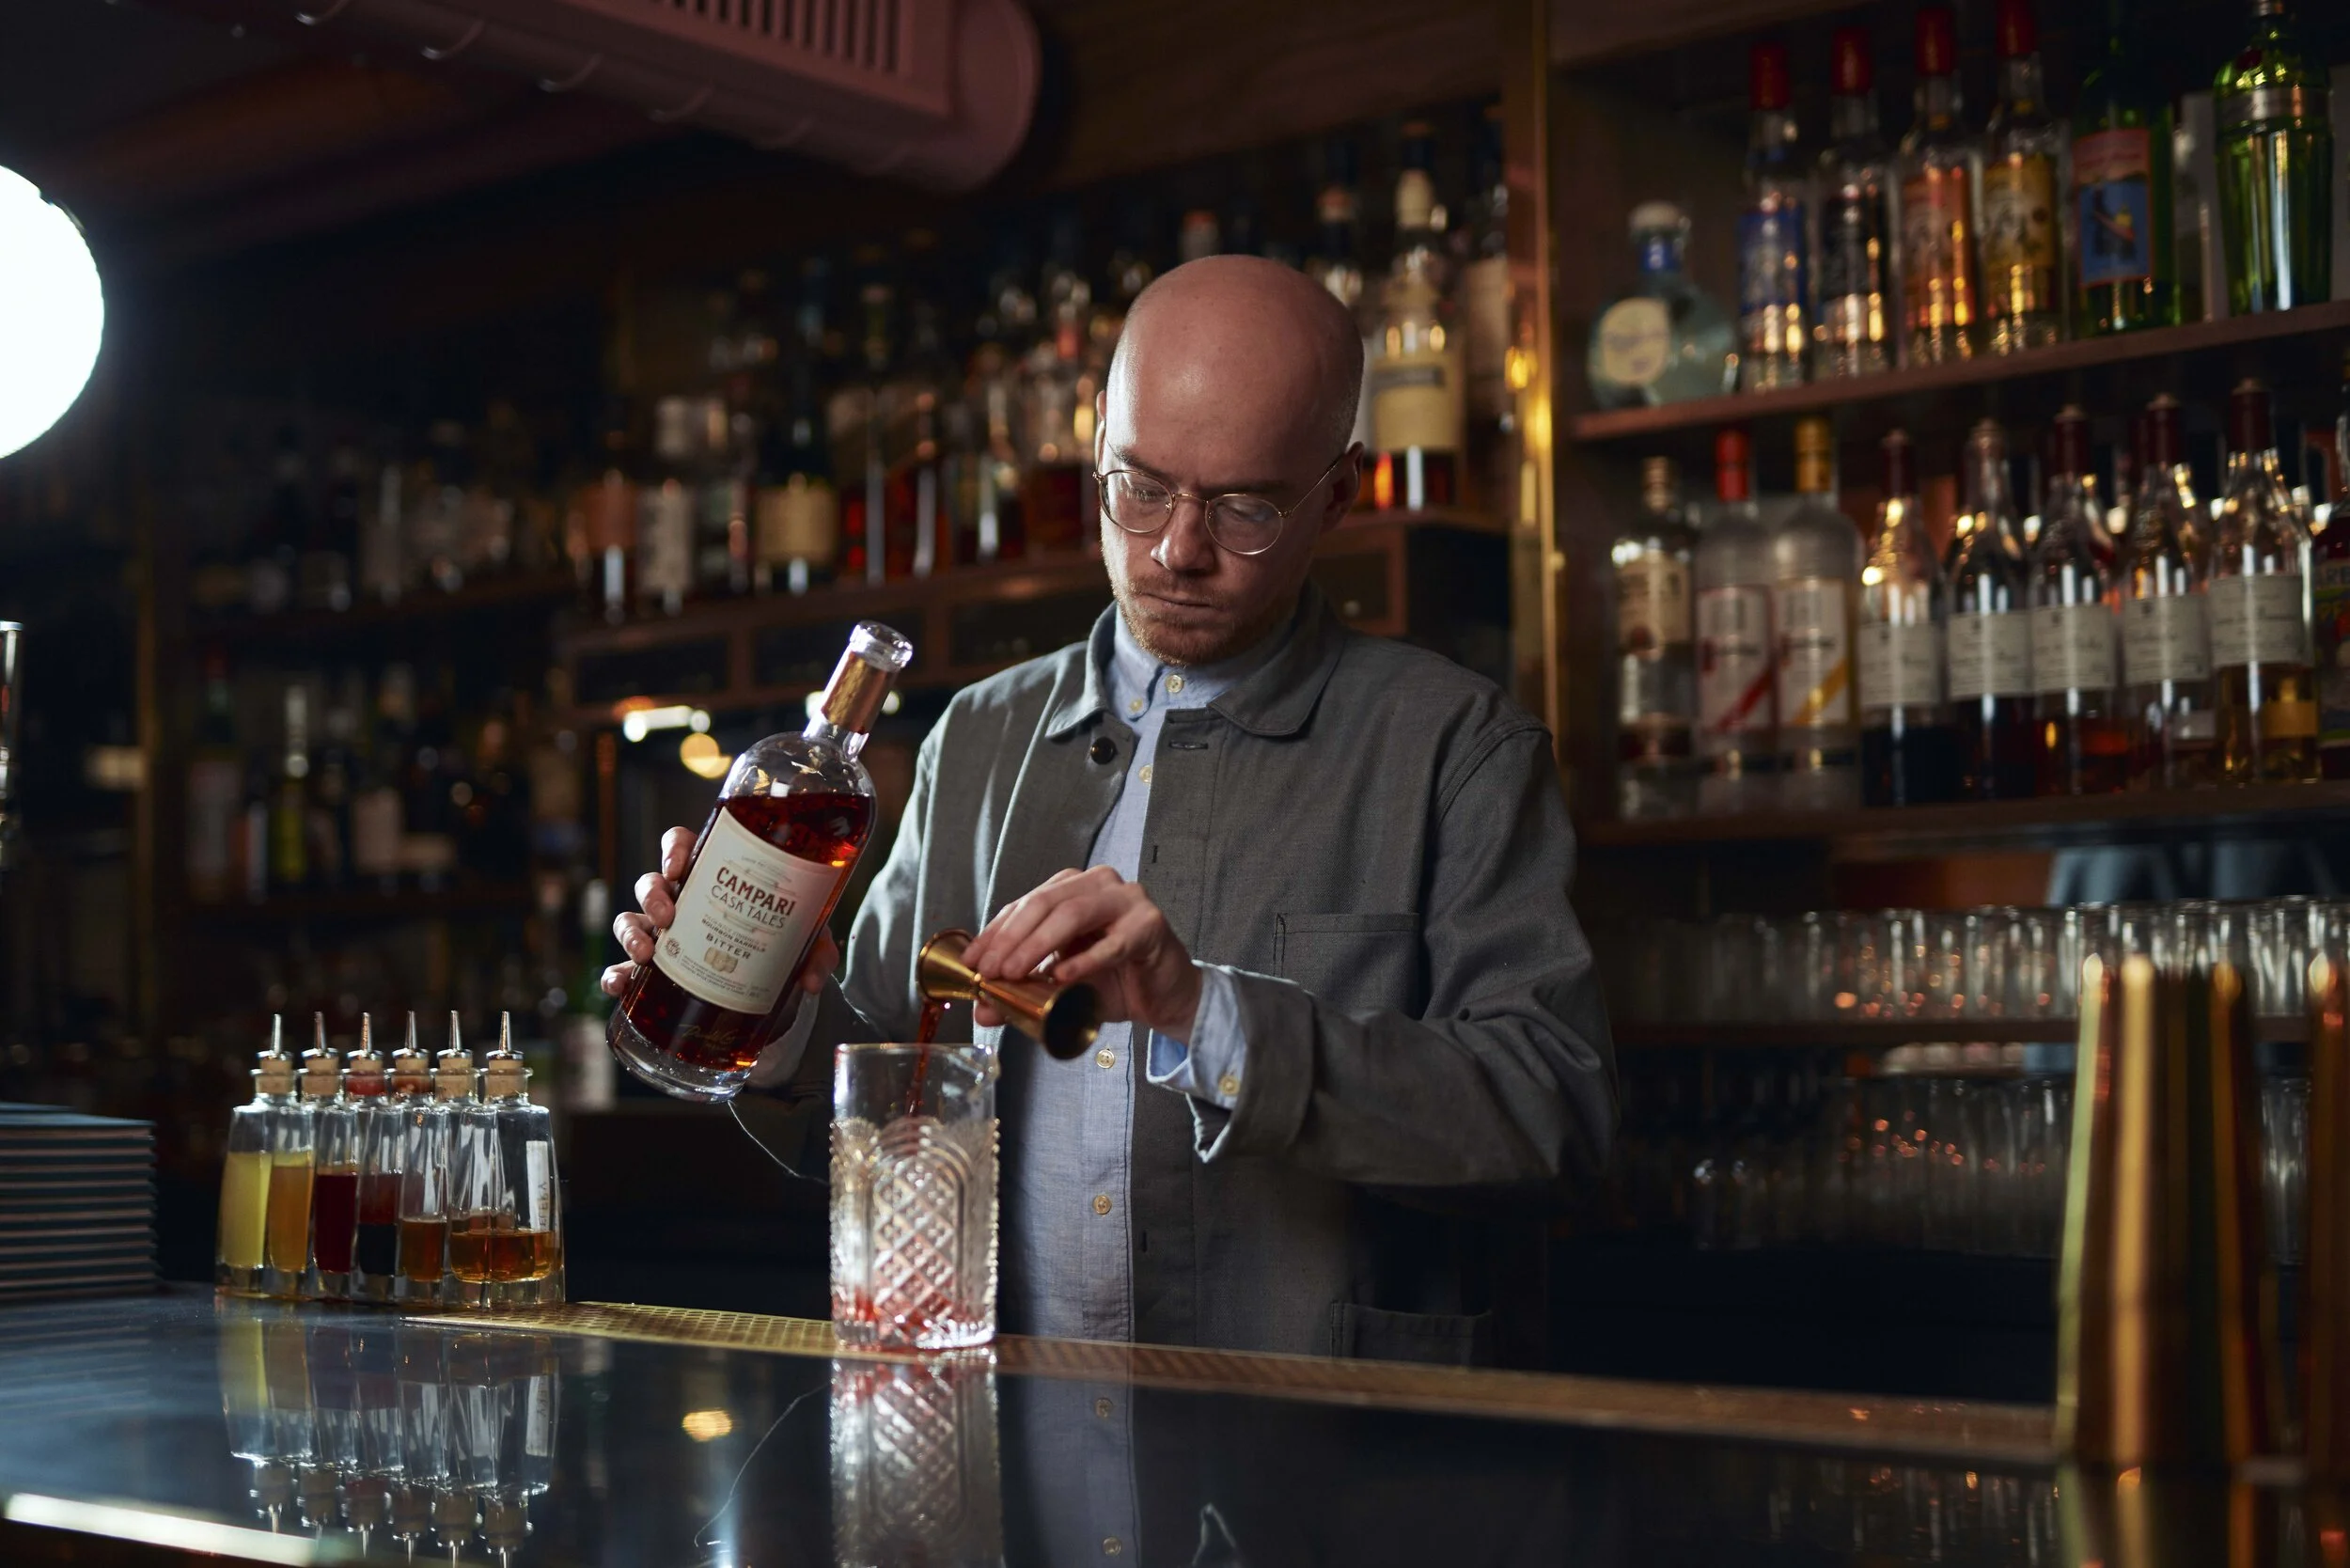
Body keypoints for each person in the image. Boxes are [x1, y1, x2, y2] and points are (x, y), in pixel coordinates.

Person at [604, 254, 1615, 1367]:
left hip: (1316, 1447)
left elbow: (1556, 1124)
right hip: (1007, 1441)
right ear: (1094, 448)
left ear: (1336, 495)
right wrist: (762, 1008)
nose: (1178, 550)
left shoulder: (1456, 747)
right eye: (1141, 487)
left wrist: (1207, 1014)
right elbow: (883, 1102)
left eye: (1243, 507)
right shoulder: (976, 736)